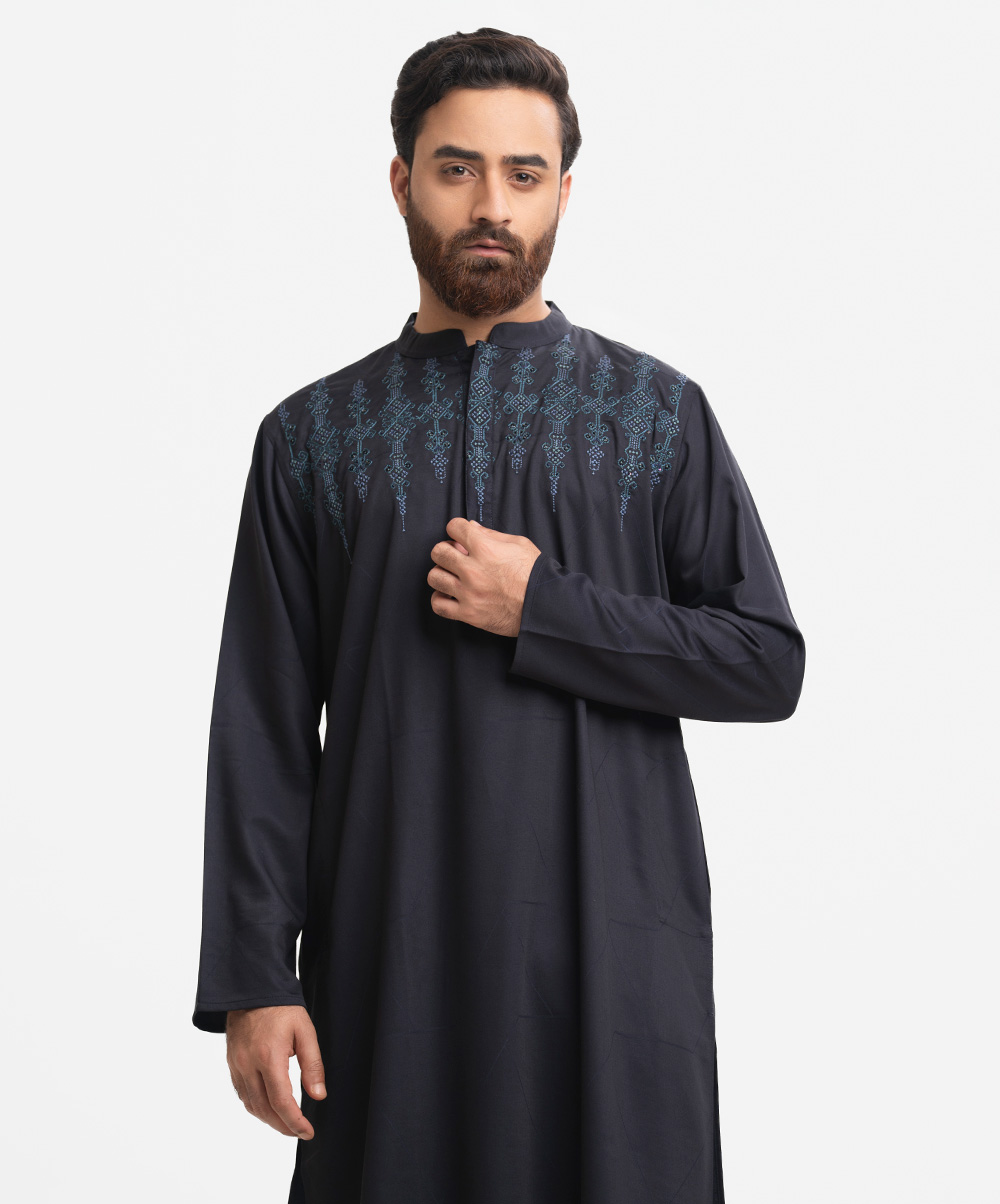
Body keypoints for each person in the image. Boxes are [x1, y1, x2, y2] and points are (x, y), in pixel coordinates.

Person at [192, 26, 805, 1204]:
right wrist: (257, 978)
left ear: (563, 191)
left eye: (524, 173)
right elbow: (260, 729)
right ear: (401, 181)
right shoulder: (312, 438)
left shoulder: (654, 414)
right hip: (390, 963)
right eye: (456, 168)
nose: (491, 205)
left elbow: (763, 660)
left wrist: (546, 609)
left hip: (615, 961)